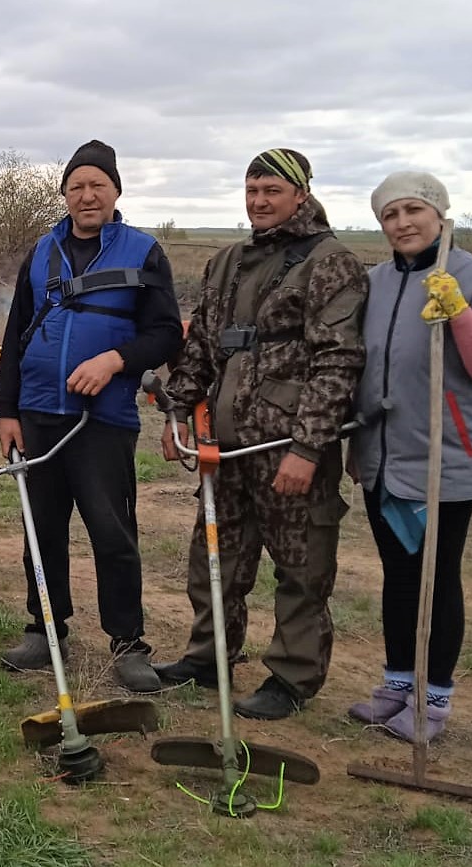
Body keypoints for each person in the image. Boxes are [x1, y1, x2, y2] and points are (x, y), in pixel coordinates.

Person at [157, 148, 369, 719]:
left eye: (272, 191)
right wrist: (177, 412)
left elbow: (338, 361)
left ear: (301, 194)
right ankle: (210, 657)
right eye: (252, 191)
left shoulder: (331, 263)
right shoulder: (228, 261)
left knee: (301, 566)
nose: (259, 202)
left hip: (286, 450)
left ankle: (292, 678)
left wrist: (308, 448)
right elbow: (200, 344)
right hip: (224, 447)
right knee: (215, 557)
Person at [0, 140, 184, 692]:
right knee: (41, 529)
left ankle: (127, 643)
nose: (86, 194)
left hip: (104, 420)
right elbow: (15, 334)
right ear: (65, 195)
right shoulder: (42, 251)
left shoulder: (143, 251)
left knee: (111, 530)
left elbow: (166, 332)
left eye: (97, 184)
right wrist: (7, 409)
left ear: (116, 191)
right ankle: (43, 627)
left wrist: (115, 360)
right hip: (38, 415)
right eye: (76, 185)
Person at [346, 172, 472, 741]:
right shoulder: (375, 283)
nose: (402, 223)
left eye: (413, 210)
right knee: (397, 575)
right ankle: (397, 683)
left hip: (446, 460)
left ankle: (434, 701)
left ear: (439, 213)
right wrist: (355, 447)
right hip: (383, 459)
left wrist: (459, 311)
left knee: (436, 579)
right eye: (390, 215)